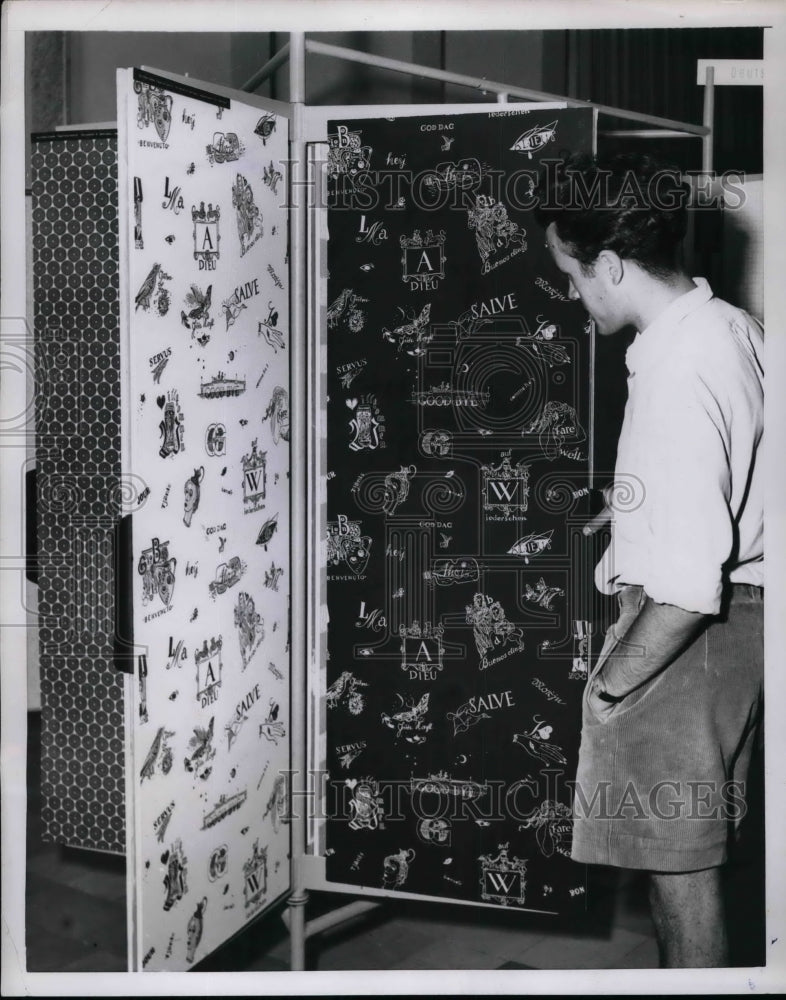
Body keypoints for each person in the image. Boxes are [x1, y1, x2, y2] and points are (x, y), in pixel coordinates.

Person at [534, 153, 764, 968]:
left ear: (609, 265)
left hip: (688, 641)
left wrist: (612, 685)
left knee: (680, 873)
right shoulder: (729, 327)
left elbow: (689, 588)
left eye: (571, 275)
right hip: (741, 628)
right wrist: (627, 502)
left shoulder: (677, 371)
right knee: (689, 859)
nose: (573, 294)